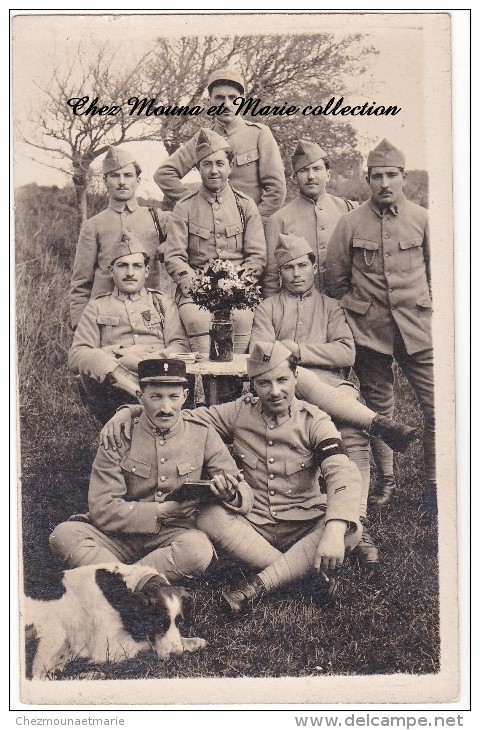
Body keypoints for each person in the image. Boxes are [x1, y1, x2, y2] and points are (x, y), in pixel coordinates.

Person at [101, 344, 419, 615]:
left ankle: (258, 586)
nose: (275, 391)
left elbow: (342, 472)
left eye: (282, 380)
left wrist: (334, 529)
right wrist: (129, 411)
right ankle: (299, 576)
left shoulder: (315, 420)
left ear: (297, 378)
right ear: (253, 385)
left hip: (302, 523)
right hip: (253, 524)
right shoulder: (240, 412)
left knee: (351, 529)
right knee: (210, 515)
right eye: (264, 383)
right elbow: (181, 416)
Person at [49, 359, 252, 584]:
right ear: (140, 396)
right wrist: (161, 511)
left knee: (198, 550)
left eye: (173, 397)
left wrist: (230, 494)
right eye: (155, 397)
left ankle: (115, 583)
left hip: (173, 537)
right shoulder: (118, 434)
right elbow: (102, 509)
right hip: (118, 537)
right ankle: (138, 584)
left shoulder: (202, 433)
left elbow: (242, 491)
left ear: (184, 396)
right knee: (64, 535)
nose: (165, 408)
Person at [251, 233, 386, 563]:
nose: (296, 274)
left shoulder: (331, 307)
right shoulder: (268, 308)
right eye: (287, 268)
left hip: (332, 389)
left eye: (302, 266)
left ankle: (357, 520)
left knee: (354, 432)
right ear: (279, 273)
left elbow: (346, 353)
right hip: (284, 392)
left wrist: (296, 349)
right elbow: (263, 354)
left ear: (314, 267)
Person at [326, 139, 435, 515]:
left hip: (418, 329)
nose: (385, 182)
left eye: (392, 175)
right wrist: (360, 311)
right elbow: (336, 280)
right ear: (367, 179)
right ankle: (387, 481)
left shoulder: (422, 219)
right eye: (377, 176)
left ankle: (434, 485)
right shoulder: (350, 222)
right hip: (370, 332)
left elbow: (438, 275)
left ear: (404, 177)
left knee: (436, 408)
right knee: (380, 410)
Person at [164, 128, 266, 354]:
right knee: (198, 320)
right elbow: (174, 257)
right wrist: (197, 287)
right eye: (206, 164)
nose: (214, 170)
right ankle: (205, 383)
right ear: (197, 168)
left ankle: (237, 387)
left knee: (241, 318)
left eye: (220, 163)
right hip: (195, 292)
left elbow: (257, 257)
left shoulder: (245, 205)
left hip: (238, 290)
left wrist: (237, 286)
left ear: (230, 167)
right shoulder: (185, 207)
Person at [68, 234, 190, 423]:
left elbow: (180, 345)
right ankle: (138, 392)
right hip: (113, 388)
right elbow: (76, 356)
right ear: (111, 271)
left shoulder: (162, 302)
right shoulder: (97, 306)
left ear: (147, 271)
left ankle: (145, 399)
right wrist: (122, 353)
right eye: (123, 265)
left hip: (158, 376)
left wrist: (149, 359)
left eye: (137, 266)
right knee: (89, 356)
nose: (130, 272)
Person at [154, 67, 286, 223]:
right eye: (219, 98)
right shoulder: (202, 138)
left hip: (250, 230)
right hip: (210, 232)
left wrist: (254, 221)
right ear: (210, 101)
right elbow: (164, 174)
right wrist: (194, 207)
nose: (227, 104)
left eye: (233, 97)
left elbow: (276, 190)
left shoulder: (259, 134)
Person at [70, 146, 168, 329]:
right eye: (114, 176)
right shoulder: (93, 225)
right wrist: (79, 326)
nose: (122, 181)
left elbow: (190, 223)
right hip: (105, 321)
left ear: (138, 180)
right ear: (105, 180)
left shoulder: (158, 219)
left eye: (128, 175)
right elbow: (81, 283)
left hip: (149, 319)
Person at [263, 140, 357, 298]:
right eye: (303, 170)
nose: (311, 176)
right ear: (294, 178)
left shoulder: (349, 210)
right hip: (298, 311)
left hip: (343, 307)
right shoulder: (279, 220)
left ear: (328, 174)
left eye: (317, 169)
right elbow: (271, 279)